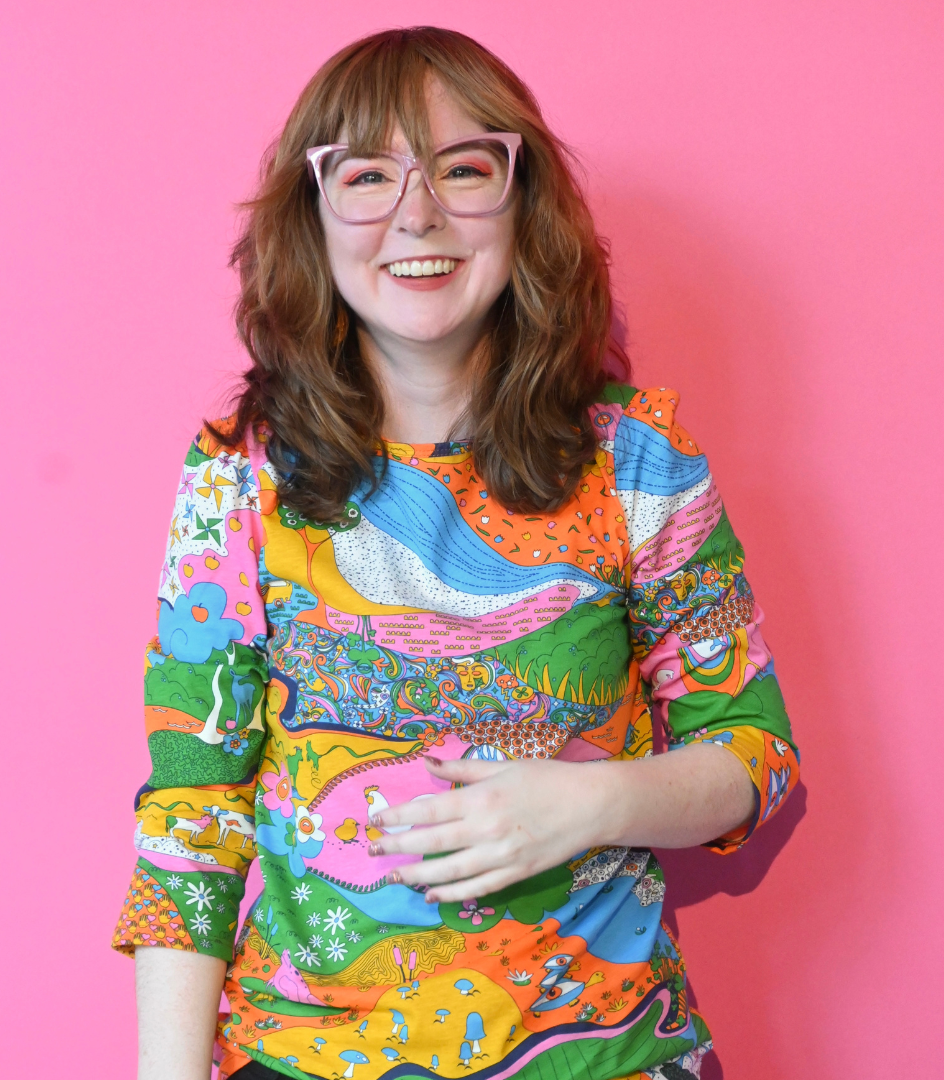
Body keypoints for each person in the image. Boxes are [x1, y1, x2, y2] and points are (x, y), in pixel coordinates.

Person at [113, 27, 799, 1080]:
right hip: (301, 1057)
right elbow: (190, 816)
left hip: (607, 1054)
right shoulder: (237, 480)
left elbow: (756, 758)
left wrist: (591, 802)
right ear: (316, 217)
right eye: (368, 174)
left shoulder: (641, 465)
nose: (416, 213)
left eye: (463, 170)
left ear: (523, 208)